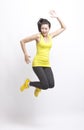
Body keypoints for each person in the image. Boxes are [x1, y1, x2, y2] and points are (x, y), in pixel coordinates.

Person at [20, 10, 66, 97]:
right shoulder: (38, 36)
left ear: (49, 28)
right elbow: (22, 41)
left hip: (46, 64)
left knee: (51, 85)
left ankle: (38, 87)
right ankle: (28, 83)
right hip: (37, 63)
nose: (44, 30)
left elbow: (63, 27)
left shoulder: (51, 36)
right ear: (39, 28)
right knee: (45, 85)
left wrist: (57, 17)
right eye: (42, 28)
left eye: (46, 28)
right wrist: (25, 54)